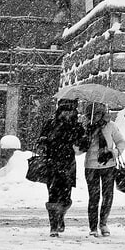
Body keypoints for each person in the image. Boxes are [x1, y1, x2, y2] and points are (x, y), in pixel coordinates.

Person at [37, 99, 86, 237]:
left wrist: (83, 140)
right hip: (52, 163)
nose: (67, 113)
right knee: (52, 196)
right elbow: (41, 139)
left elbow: (82, 146)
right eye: (64, 110)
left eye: (69, 110)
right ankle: (53, 225)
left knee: (66, 198)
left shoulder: (76, 126)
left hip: (68, 164)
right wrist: (43, 143)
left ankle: (60, 216)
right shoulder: (50, 124)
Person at [80, 102, 125, 237]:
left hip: (108, 165)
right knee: (93, 197)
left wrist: (113, 152)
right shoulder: (85, 127)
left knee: (108, 196)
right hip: (91, 167)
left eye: (99, 114)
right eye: (93, 115)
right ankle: (93, 226)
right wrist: (83, 141)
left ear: (103, 114)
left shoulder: (111, 126)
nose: (96, 117)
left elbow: (121, 142)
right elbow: (78, 150)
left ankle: (103, 223)